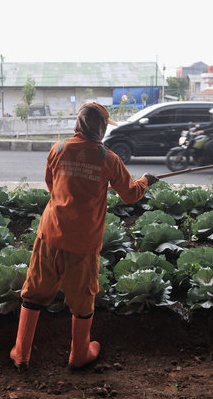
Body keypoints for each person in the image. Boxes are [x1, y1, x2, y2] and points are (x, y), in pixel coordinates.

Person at [10, 102, 159, 371]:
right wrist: (146, 180)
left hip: (50, 234)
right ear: (101, 129)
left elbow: (51, 184)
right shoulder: (109, 159)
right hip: (83, 244)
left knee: (34, 293)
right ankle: (79, 355)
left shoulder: (58, 149)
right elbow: (131, 194)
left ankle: (21, 353)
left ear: (78, 124)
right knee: (82, 301)